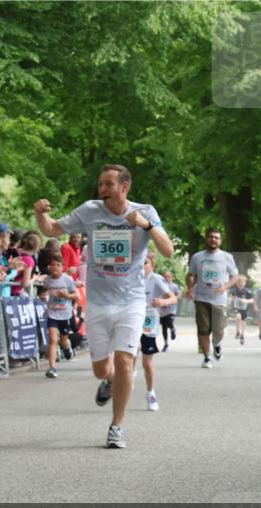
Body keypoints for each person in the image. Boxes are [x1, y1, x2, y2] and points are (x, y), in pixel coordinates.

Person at [34, 163, 173, 449]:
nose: (103, 189)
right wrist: (40, 213)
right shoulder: (89, 211)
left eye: (109, 184)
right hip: (98, 301)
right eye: (101, 184)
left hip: (132, 301)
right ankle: (109, 381)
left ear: (125, 187)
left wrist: (145, 225)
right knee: (101, 370)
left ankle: (116, 427)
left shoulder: (145, 211)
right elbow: (51, 228)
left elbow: (167, 250)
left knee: (124, 361)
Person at [187, 228, 239, 368]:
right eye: (211, 237)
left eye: (216, 237)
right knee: (203, 329)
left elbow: (235, 276)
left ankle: (216, 344)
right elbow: (191, 275)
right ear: (206, 239)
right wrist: (190, 288)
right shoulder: (197, 257)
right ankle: (207, 358)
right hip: (201, 298)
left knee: (219, 330)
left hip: (219, 299)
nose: (213, 240)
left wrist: (225, 287)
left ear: (220, 241)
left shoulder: (227, 257)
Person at [136, 256, 177, 411]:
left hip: (149, 321)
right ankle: (130, 376)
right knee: (131, 352)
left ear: (152, 265)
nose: (142, 266)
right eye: (140, 263)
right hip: (133, 319)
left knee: (147, 362)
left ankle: (150, 392)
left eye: (145, 263)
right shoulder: (132, 277)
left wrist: (164, 302)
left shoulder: (156, 279)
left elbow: (173, 298)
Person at [42, 255, 78, 378]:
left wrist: (67, 296)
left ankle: (67, 347)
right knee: (52, 340)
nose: (55, 267)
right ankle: (52, 368)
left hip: (65, 314)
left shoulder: (67, 280)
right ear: (49, 266)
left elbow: (76, 296)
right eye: (52, 265)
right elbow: (44, 291)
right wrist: (43, 295)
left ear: (63, 267)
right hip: (52, 313)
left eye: (58, 265)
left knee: (63, 341)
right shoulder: (47, 280)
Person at [158, 270, 182, 351]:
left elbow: (179, 294)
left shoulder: (174, 286)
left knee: (169, 321)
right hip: (162, 310)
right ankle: (166, 344)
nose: (166, 278)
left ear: (171, 278)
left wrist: (175, 298)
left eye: (168, 276)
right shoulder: (160, 286)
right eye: (165, 277)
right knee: (164, 327)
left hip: (171, 309)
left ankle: (172, 329)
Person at [230, 275, 254, 345]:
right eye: (238, 282)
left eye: (242, 282)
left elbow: (252, 300)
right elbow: (230, 298)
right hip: (236, 307)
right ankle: (237, 331)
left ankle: (242, 335)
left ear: (245, 283)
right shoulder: (234, 290)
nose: (240, 284)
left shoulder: (247, 291)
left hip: (244, 309)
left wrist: (246, 301)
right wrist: (231, 299)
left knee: (243, 321)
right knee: (238, 317)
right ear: (236, 283)